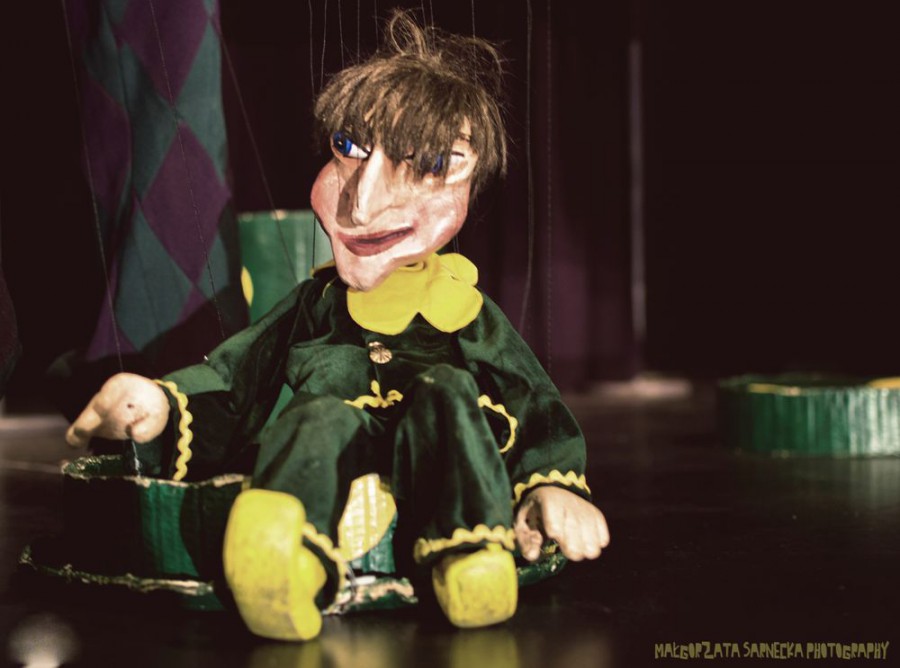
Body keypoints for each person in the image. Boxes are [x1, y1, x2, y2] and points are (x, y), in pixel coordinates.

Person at [66, 11, 609, 641]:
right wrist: (161, 403)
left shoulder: (465, 311)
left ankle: (468, 554)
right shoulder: (316, 304)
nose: (363, 201)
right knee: (316, 418)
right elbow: (237, 377)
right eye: (349, 148)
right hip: (330, 456)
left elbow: (532, 400)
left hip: (443, 464)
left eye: (430, 162)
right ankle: (281, 552)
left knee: (449, 395)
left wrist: (553, 484)